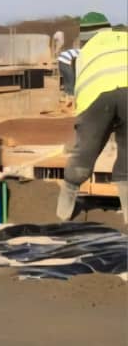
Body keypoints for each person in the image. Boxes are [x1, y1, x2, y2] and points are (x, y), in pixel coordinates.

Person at [57, 12, 127, 223]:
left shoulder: (85, 52)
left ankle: (63, 213)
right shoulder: (124, 38)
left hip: (97, 96)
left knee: (84, 154)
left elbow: (83, 89)